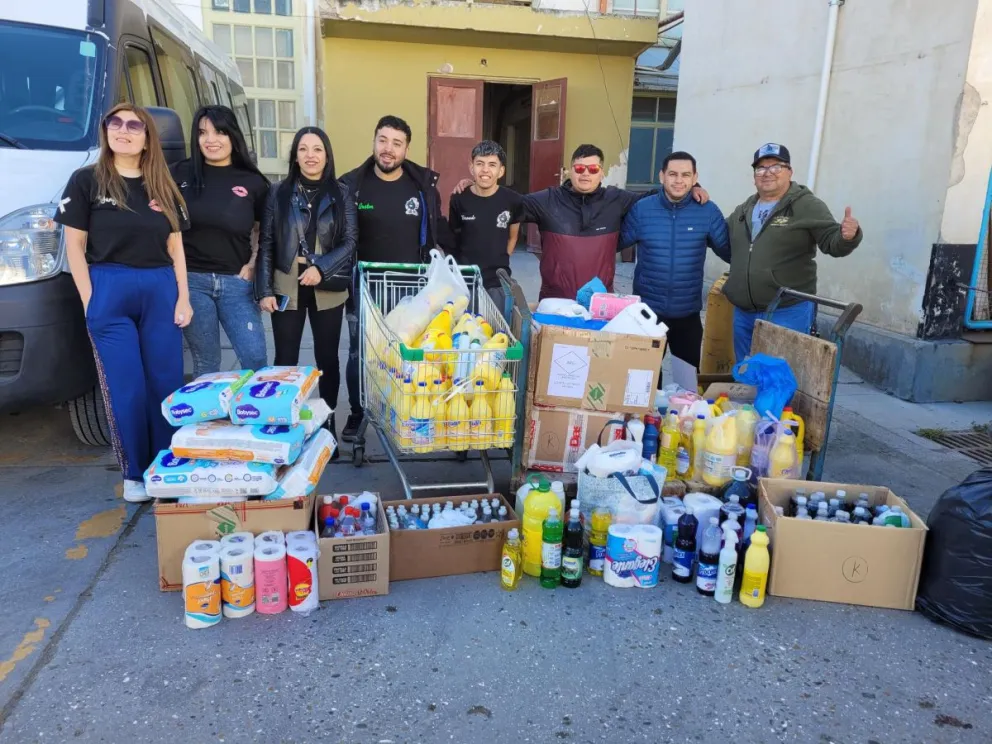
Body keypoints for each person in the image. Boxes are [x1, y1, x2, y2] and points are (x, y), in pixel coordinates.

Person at [55, 103, 192, 502]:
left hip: (160, 288)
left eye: (134, 125)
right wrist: (90, 300)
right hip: (109, 287)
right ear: (106, 131)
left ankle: (166, 465)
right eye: (115, 122)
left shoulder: (163, 185)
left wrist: (183, 297)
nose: (124, 130)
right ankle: (134, 473)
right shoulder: (86, 180)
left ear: (147, 138)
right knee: (126, 386)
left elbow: (176, 247)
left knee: (165, 382)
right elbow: (74, 247)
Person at [454, 144, 707, 301]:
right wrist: (476, 186)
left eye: (593, 169)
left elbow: (656, 195)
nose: (586, 174)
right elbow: (504, 203)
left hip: (600, 302)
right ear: (569, 171)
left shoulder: (617, 200)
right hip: (555, 301)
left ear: (602, 172)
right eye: (579, 168)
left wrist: (690, 186)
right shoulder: (547, 200)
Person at [338, 115, 454, 441]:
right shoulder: (352, 186)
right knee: (361, 354)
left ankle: (405, 408)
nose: (388, 149)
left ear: (406, 149)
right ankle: (358, 413)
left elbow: (439, 230)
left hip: (410, 290)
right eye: (383, 140)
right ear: (374, 142)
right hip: (365, 288)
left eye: (396, 143)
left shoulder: (422, 187)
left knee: (408, 352)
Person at [256, 127, 357, 447]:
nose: (310, 156)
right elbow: (267, 242)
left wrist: (321, 268)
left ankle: (327, 426)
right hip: (287, 283)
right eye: (303, 149)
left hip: (327, 286)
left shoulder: (341, 193)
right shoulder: (277, 193)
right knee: (285, 358)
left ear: (327, 155)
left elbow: (350, 241)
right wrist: (264, 289)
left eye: (317, 149)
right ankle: (284, 425)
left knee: (327, 358)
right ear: (295, 155)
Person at [724, 143, 863, 361]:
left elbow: (831, 243)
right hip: (744, 313)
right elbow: (723, 239)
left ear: (789, 171)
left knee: (783, 374)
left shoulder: (806, 205)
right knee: (746, 372)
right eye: (761, 168)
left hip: (786, 311)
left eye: (775, 167)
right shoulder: (745, 209)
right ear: (754, 176)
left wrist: (848, 236)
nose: (767, 173)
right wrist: (695, 192)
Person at [172, 105, 269, 377]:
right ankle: (211, 407)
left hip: (236, 283)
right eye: (203, 133)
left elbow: (263, 230)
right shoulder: (178, 174)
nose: (211, 140)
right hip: (192, 282)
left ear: (232, 136)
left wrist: (253, 263)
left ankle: (253, 405)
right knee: (206, 363)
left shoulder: (253, 182)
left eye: (219, 132)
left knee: (255, 358)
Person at [620, 151, 730, 377]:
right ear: (662, 176)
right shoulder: (642, 209)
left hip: (687, 315)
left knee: (687, 385)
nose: (679, 180)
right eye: (673, 174)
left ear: (695, 178)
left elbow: (731, 252)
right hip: (648, 314)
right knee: (645, 382)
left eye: (685, 175)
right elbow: (612, 243)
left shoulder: (707, 211)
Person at [447, 140, 521, 311]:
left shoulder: (513, 200)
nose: (485, 170)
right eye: (480, 163)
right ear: (471, 167)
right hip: (465, 282)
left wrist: (500, 258)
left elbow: (513, 237)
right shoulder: (459, 199)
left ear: (501, 171)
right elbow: (453, 239)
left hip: (498, 282)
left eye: (492, 165)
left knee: (496, 325)